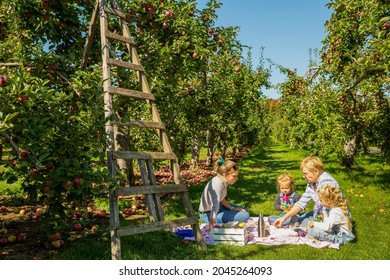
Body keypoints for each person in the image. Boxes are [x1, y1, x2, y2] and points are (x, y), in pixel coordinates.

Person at [274, 155, 351, 228]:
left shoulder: (326, 183)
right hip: (321, 213)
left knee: (307, 224)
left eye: (305, 174)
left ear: (316, 171)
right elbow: (302, 203)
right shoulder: (311, 183)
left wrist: (317, 223)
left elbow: (328, 209)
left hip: (333, 220)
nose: (303, 176)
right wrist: (283, 218)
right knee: (303, 218)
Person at [198, 158, 250, 229]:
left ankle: (228, 214)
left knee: (244, 210)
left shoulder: (223, 180)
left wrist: (232, 208)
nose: (237, 178)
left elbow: (221, 199)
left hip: (220, 207)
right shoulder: (217, 184)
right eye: (234, 176)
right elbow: (214, 207)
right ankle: (218, 220)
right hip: (208, 214)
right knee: (245, 215)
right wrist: (211, 227)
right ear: (225, 175)